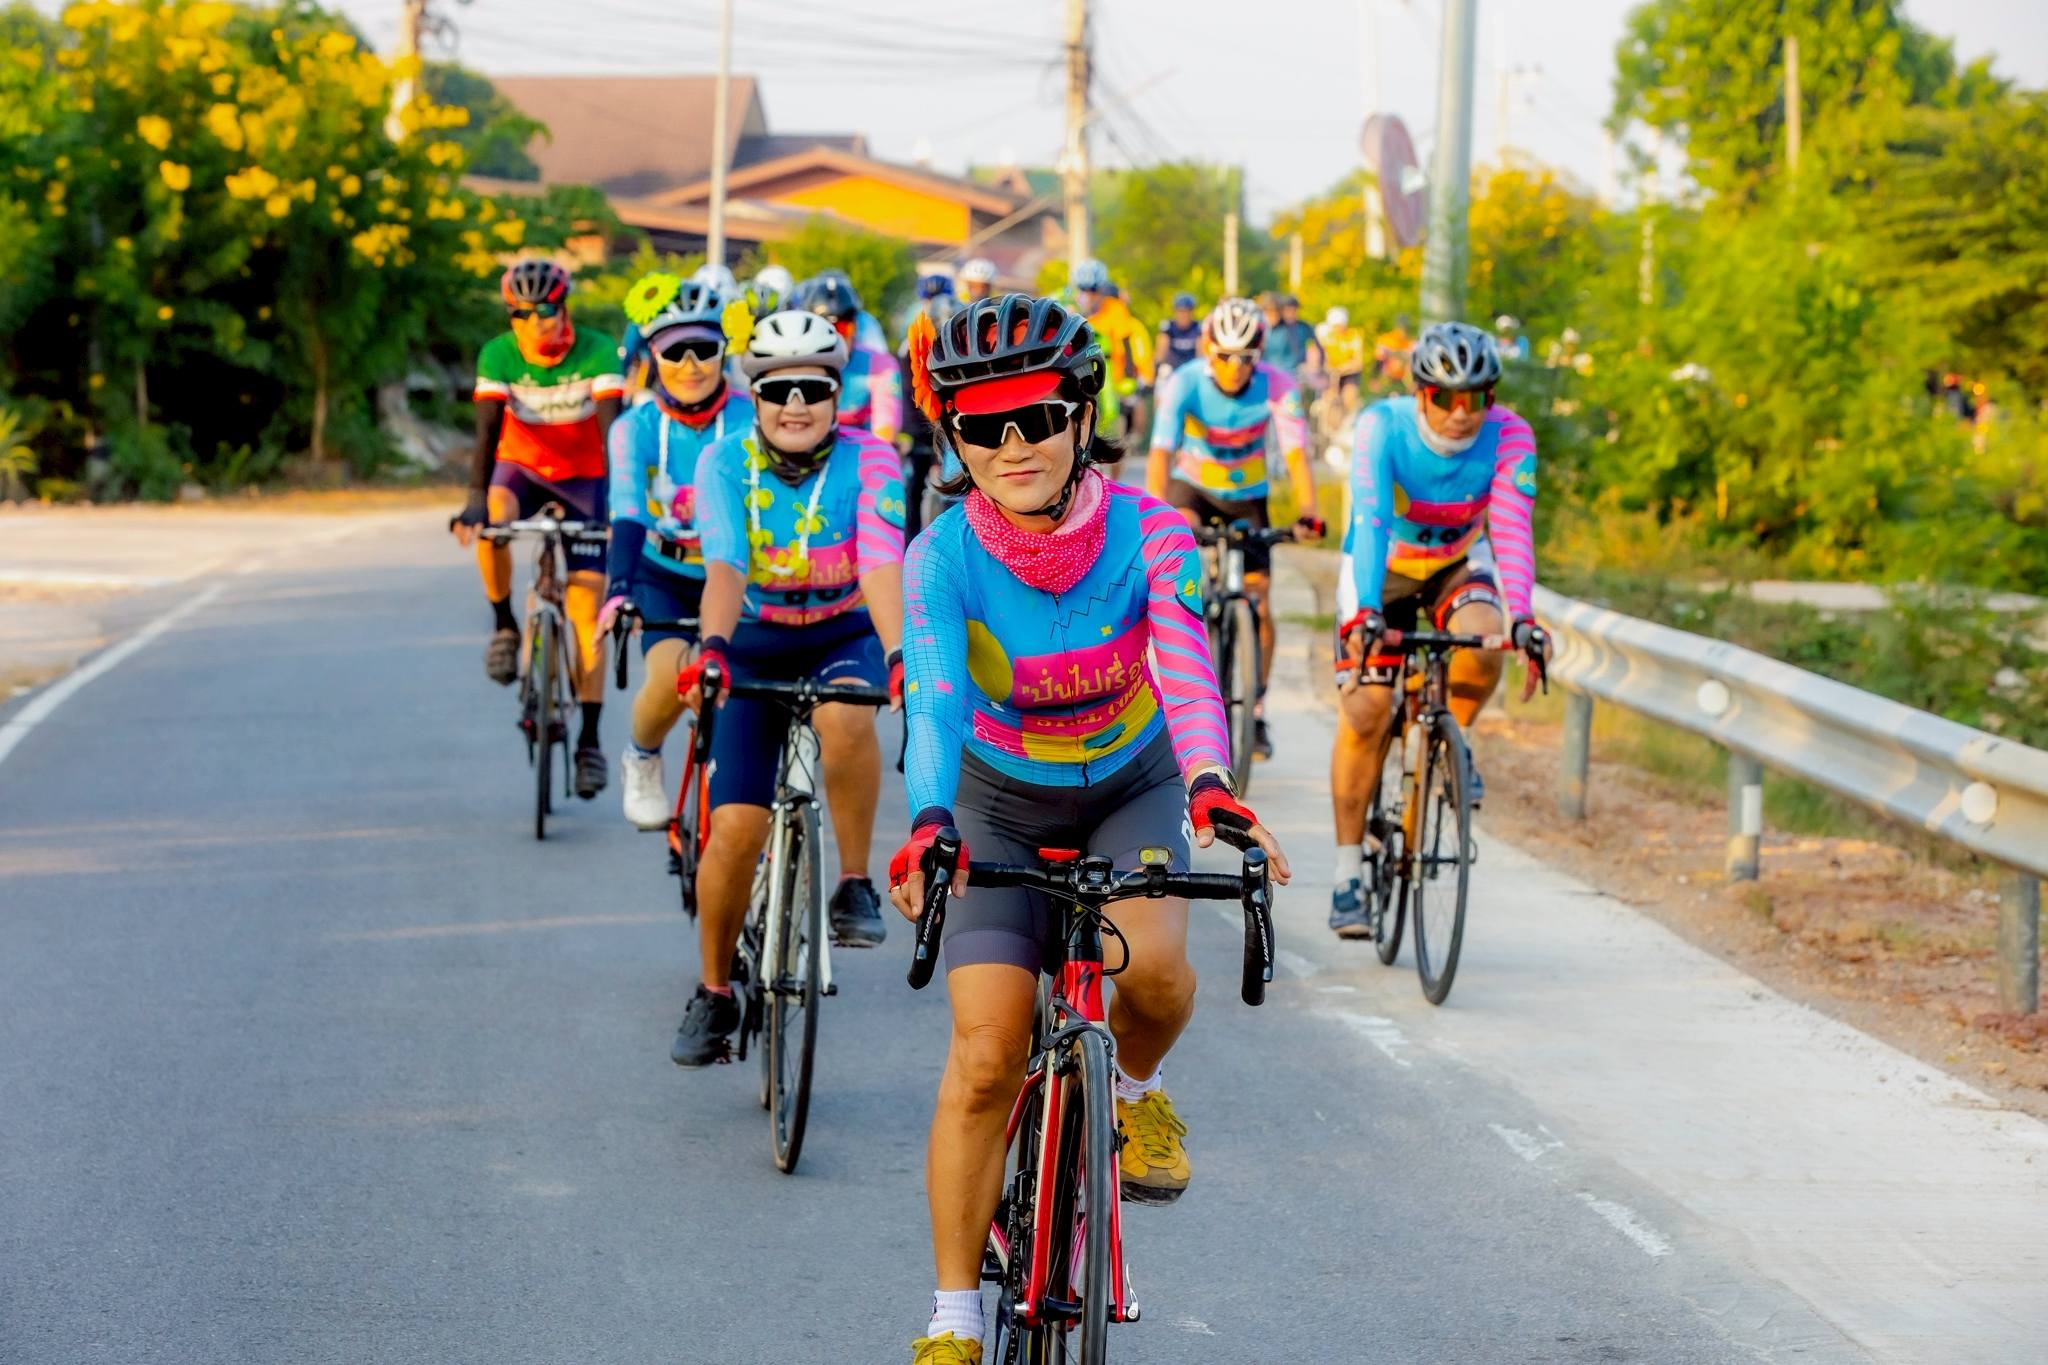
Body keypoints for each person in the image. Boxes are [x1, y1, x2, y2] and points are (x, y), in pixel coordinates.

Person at [889, 293, 1292, 1365]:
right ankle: (953, 1317)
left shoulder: (1150, 530)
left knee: (1153, 976)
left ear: (1080, 416)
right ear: (954, 437)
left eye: (1036, 418)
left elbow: (1185, 667)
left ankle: (1133, 1089)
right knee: (986, 1055)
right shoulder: (939, 555)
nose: (1012, 446)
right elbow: (933, 702)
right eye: (983, 427)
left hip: (1129, 783)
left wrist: (1211, 783)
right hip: (996, 798)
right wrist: (928, 820)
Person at [668, 308, 908, 1067]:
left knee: (846, 718)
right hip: (751, 637)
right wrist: (712, 648)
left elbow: (881, 561)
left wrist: (898, 653)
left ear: (839, 393)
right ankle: (713, 990)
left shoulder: (873, 460)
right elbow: (726, 567)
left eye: (813, 388)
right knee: (737, 828)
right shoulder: (725, 462)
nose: (795, 404)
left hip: (844, 632)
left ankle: (855, 882)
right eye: (777, 390)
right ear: (756, 396)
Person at [1328, 321, 1547, 938]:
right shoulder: (1382, 426)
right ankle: (1348, 874)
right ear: (1420, 393)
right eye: (1444, 397)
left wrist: (1525, 618)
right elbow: (1371, 519)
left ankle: (1455, 740)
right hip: (1383, 565)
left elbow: (1512, 527)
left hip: (1456, 560)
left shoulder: (1510, 436)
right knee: (1368, 710)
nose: (1460, 413)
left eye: (1475, 398)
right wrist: (1366, 612)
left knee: (1486, 635)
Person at [453, 259, 623, 799]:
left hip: (585, 479)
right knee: (493, 519)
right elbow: (486, 435)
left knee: (586, 613)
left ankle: (589, 741)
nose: (533, 323)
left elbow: (613, 436)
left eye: (544, 310)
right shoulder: (498, 353)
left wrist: (621, 509)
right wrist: (474, 502)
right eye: (520, 313)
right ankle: (505, 625)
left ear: (564, 308)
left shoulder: (597, 350)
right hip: (521, 471)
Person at [599, 274, 753, 829]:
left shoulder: (753, 417)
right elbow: (627, 511)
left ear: (724, 352)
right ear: (651, 356)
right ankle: (641, 756)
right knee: (670, 678)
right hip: (661, 574)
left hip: (738, 574)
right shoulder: (633, 427)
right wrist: (618, 590)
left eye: (704, 349)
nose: (690, 365)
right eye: (674, 351)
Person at [1147, 296, 1319, 761]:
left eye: (1245, 358)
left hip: (1247, 496)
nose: (1235, 367)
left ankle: (1255, 710)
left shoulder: (1278, 385)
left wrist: (1309, 509)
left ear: (1259, 355)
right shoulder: (1185, 381)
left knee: (1259, 603)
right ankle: (1181, 686)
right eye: (1224, 356)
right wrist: (1155, 510)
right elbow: (1161, 452)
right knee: (1180, 541)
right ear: (1208, 349)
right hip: (1193, 488)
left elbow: (1297, 454)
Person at [792, 273, 903, 446]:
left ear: (856, 328)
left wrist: (882, 447)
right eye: (826, 328)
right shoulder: (795, 362)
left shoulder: (881, 365)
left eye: (843, 328)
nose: (835, 337)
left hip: (861, 448)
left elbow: (886, 424)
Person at [1069, 258, 1151, 448]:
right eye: (1084, 290)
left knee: (1112, 413)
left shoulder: (1115, 308)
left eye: (1094, 290)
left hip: (1108, 367)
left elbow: (1125, 341)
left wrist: (1129, 375)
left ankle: (1114, 451)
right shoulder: (1070, 307)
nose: (1089, 295)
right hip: (1078, 366)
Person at [1264, 293, 1324, 386]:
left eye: (1294, 310)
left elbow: (1317, 347)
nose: (1291, 313)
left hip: (1294, 373)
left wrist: (1317, 364)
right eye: (1288, 310)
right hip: (1272, 374)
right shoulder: (1271, 329)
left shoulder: (1303, 327)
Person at [1154, 291, 1201, 386]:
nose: (1183, 315)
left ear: (1191, 312)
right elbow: (1160, 352)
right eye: (1180, 311)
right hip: (1172, 370)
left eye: (1186, 312)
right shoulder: (1168, 327)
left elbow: (1202, 355)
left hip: (1191, 370)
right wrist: (1156, 369)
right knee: (1163, 371)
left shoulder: (1198, 328)